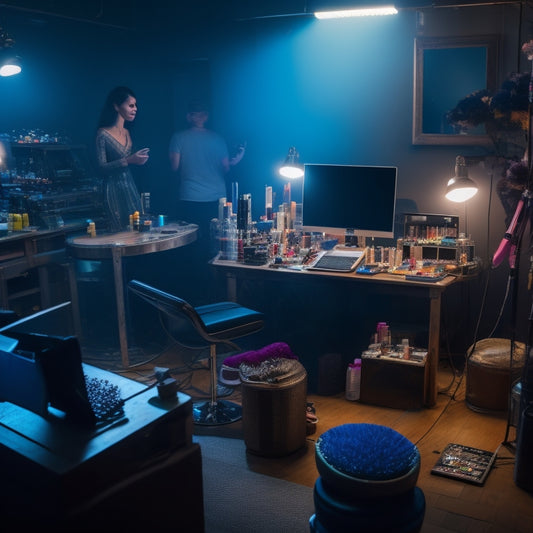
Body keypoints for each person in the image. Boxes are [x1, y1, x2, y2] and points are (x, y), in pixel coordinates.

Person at [168, 101, 244, 302]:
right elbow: (226, 168)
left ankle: (195, 291)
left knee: (193, 246)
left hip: (190, 197)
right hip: (216, 198)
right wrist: (238, 158)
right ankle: (216, 290)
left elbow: (174, 167)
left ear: (189, 116)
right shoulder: (217, 139)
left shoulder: (178, 137)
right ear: (205, 116)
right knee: (217, 244)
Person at [96, 86, 149, 232]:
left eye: (135, 105)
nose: (135, 109)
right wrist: (129, 160)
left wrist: (139, 159)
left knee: (135, 228)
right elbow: (101, 167)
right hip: (112, 189)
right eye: (131, 105)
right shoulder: (103, 133)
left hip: (129, 186)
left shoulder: (127, 132)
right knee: (118, 230)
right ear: (116, 106)